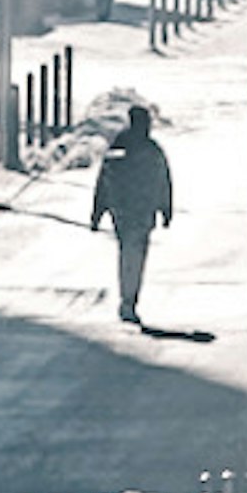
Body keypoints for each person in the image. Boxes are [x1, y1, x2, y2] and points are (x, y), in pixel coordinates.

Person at [88, 98, 174, 326]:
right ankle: (129, 298)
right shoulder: (151, 149)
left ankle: (127, 297)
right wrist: (165, 209)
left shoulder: (119, 146)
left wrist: (98, 211)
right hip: (140, 211)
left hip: (123, 209)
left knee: (127, 252)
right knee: (135, 255)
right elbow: (163, 180)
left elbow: (104, 179)